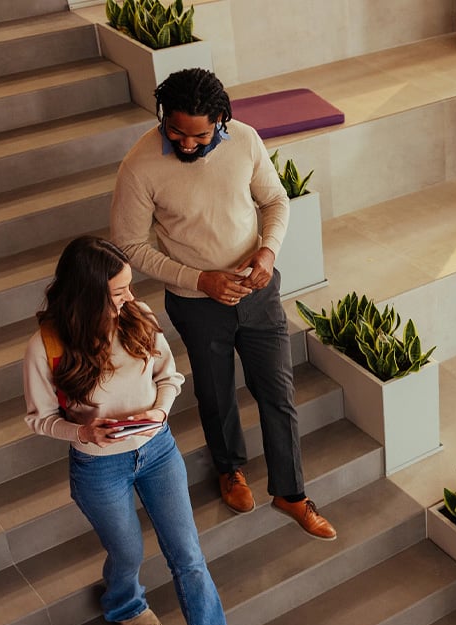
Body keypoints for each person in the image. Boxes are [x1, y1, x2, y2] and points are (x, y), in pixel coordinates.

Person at [109, 68, 336, 540]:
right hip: (196, 303)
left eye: (199, 134)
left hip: (258, 290)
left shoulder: (246, 142)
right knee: (214, 393)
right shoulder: (139, 165)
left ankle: (290, 493)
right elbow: (129, 244)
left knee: (278, 392)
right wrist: (199, 280)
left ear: (222, 120)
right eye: (176, 132)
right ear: (162, 118)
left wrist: (268, 251)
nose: (187, 144)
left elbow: (275, 201)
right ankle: (230, 469)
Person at [23, 236, 225, 625]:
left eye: (129, 287)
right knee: (127, 550)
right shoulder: (46, 346)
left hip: (158, 450)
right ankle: (124, 602)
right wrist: (82, 430)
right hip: (99, 467)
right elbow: (39, 419)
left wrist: (160, 411)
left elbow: (170, 377)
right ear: (87, 296)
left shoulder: (138, 315)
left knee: (189, 556)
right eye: (118, 292)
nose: (129, 298)